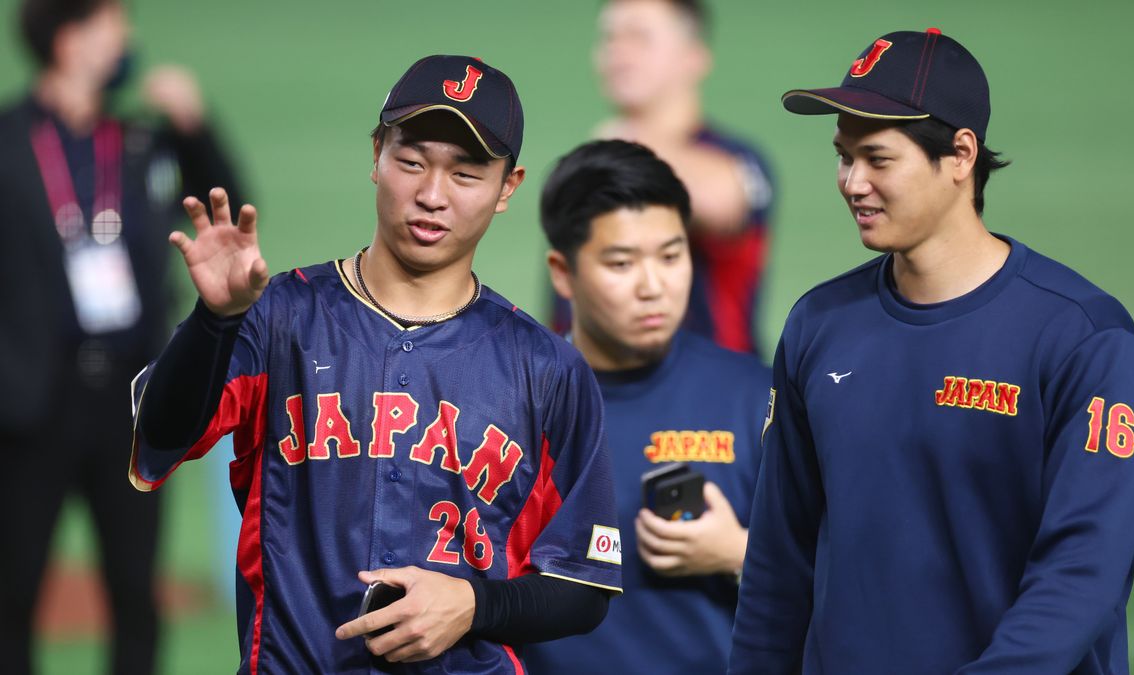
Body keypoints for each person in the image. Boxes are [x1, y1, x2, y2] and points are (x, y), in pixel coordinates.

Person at [127, 54, 621, 673]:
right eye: (411, 162)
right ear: (376, 155)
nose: (431, 195)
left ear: (507, 188)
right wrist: (215, 320)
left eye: (466, 174)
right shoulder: (277, 318)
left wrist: (475, 603)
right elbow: (161, 435)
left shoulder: (547, 368)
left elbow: (585, 584)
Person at [728, 28, 1134, 675]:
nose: (852, 182)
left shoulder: (1087, 341)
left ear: (960, 155)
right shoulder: (819, 324)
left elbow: (1081, 574)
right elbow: (779, 562)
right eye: (843, 156)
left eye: (877, 158)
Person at [0, 0, 246, 672]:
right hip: (31, 400)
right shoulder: (8, 141)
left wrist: (195, 126)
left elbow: (228, 207)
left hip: (133, 399)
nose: (126, 40)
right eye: (113, 25)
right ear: (70, 38)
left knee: (135, 591)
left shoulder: (141, 141)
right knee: (12, 591)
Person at [524, 140, 769, 675]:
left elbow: (855, 575)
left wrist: (739, 553)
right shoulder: (510, 403)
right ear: (563, 273)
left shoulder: (755, 397)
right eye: (621, 262)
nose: (653, 286)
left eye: (671, 255)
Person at [550, 0, 774, 355]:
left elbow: (723, 200)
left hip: (713, 397)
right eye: (610, 38)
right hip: (596, 396)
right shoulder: (587, 163)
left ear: (693, 56)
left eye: (639, 37)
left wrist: (627, 139)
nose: (619, 52)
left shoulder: (737, 159)